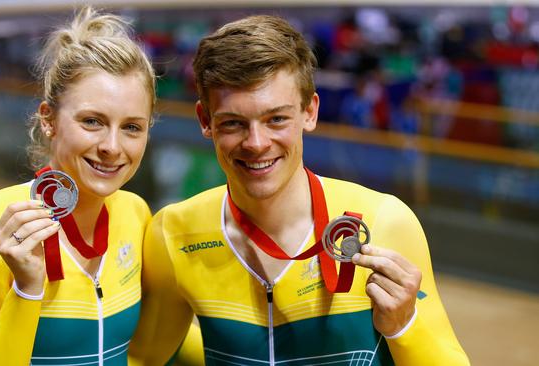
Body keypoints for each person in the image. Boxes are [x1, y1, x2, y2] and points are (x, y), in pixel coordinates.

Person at [129, 15, 469, 365]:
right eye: (233, 123)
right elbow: (145, 358)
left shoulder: (385, 222)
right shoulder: (174, 233)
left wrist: (404, 326)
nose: (257, 143)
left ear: (310, 111)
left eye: (276, 119)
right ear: (205, 121)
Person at [0, 7, 155, 365]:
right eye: (92, 121)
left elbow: (152, 348)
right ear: (49, 120)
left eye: (132, 127)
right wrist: (26, 290)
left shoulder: (136, 214)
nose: (112, 146)